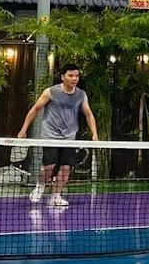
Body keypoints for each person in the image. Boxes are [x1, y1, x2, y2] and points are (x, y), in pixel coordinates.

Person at [16, 62, 99, 208]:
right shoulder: (50, 92)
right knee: (49, 167)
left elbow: (88, 114)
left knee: (66, 169)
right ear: (62, 77)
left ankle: (56, 196)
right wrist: (23, 129)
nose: (74, 78)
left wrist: (95, 134)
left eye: (76, 76)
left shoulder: (81, 95)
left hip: (69, 138)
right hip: (50, 136)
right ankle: (40, 187)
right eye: (71, 75)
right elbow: (35, 109)